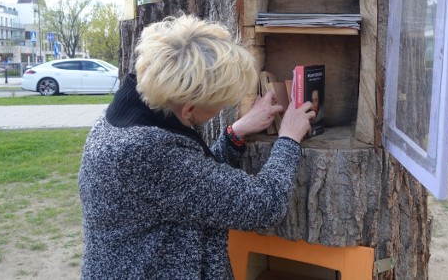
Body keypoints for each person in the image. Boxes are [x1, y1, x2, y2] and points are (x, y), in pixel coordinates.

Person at [78, 14, 314, 279]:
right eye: (220, 105)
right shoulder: (148, 151)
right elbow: (264, 204)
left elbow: (188, 188)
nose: (221, 109)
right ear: (189, 109)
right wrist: (289, 138)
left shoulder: (126, 119)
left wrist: (235, 133)